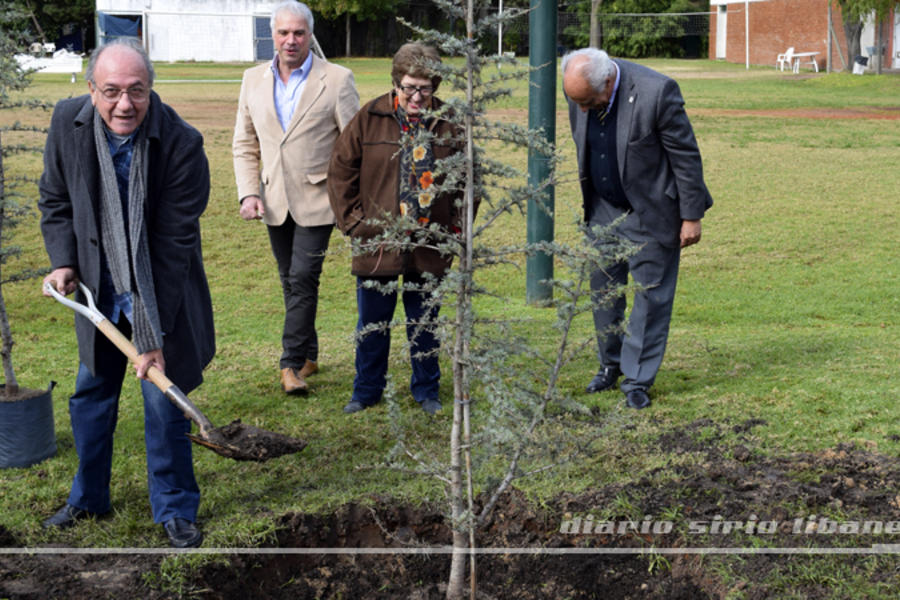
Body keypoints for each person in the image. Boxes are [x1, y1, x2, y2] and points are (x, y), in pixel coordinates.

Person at [38, 38, 215, 547]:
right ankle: (87, 497)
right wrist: (64, 260)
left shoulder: (182, 143)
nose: (125, 104)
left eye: (137, 91)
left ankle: (176, 508)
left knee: (164, 404)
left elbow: (172, 246)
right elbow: (55, 198)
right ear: (91, 90)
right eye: (111, 90)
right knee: (90, 397)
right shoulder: (67, 124)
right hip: (99, 294)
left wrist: (150, 331)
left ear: (151, 89)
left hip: (161, 293)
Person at [561, 48, 713, 410]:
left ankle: (637, 380)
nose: (581, 110)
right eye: (576, 102)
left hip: (650, 213)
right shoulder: (579, 91)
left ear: (608, 82)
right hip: (601, 211)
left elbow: (686, 157)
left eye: (587, 102)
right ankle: (609, 365)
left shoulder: (657, 92)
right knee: (603, 295)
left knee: (651, 299)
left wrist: (691, 216)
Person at [328, 42, 463, 416]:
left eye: (425, 88)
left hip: (429, 244)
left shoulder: (449, 122)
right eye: (409, 87)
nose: (417, 96)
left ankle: (427, 390)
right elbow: (340, 170)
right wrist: (354, 223)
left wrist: (454, 230)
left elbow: (468, 182)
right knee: (373, 323)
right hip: (377, 245)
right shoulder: (369, 117)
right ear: (396, 83)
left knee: (425, 322)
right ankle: (366, 390)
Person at [233, 0, 359, 396]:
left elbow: (354, 144)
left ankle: (290, 364)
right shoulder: (252, 79)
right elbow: (244, 142)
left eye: (299, 33)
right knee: (290, 280)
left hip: (320, 200)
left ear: (310, 35)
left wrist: (349, 200)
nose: (291, 40)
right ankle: (310, 352)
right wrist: (249, 192)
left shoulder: (337, 79)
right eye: (284, 33)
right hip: (273, 200)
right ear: (273, 35)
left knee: (304, 278)